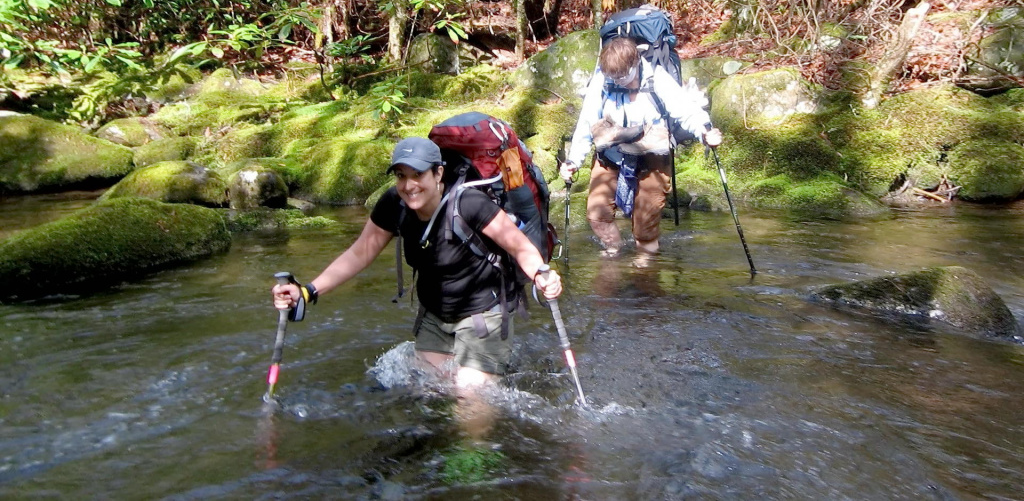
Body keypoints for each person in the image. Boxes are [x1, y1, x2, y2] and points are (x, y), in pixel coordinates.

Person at [272, 136, 562, 390]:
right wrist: (308, 291)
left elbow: (519, 246)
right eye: (400, 176)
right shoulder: (394, 204)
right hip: (435, 316)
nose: (408, 186)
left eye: (417, 175)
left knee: (470, 400)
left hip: (483, 314)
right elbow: (361, 252)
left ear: (438, 174)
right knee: (428, 392)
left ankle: (478, 455)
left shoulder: (469, 204)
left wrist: (541, 275)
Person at [559, 36, 723, 256]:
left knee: (645, 224)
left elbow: (687, 111)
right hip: (611, 153)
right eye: (612, 77)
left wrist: (706, 132)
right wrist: (573, 161)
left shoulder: (658, 79)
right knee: (597, 214)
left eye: (622, 76)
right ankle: (614, 251)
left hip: (652, 156)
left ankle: (645, 266)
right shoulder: (602, 80)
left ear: (635, 63)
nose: (617, 82)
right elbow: (586, 123)